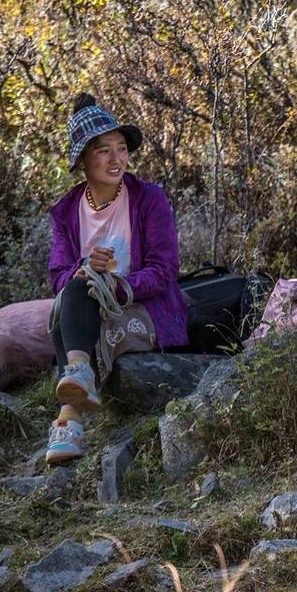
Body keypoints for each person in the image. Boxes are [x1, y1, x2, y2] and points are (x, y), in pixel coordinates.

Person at [45, 93, 188, 464]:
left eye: (121, 149)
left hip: (143, 309)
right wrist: (85, 267)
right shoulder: (65, 213)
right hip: (88, 308)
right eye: (103, 151)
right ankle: (79, 376)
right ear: (83, 160)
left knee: (75, 302)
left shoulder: (148, 199)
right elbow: (58, 276)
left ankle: (69, 419)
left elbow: (165, 269)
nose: (116, 159)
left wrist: (120, 285)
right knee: (76, 287)